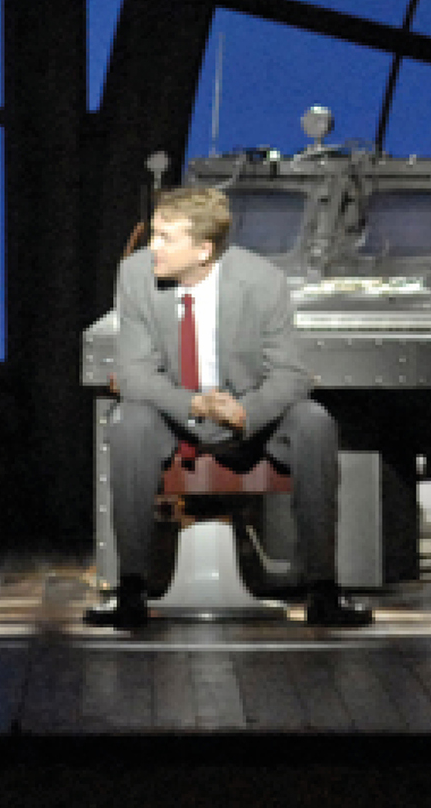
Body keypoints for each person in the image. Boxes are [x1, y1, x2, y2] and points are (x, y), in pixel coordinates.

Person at [86, 184, 374, 632]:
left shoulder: (261, 281)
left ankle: (322, 590)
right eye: (154, 234)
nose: (153, 247)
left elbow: (290, 374)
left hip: (248, 416)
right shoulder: (136, 274)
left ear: (203, 250)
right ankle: (131, 590)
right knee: (129, 422)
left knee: (313, 422)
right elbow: (136, 374)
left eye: (165, 238)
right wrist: (195, 404)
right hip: (174, 414)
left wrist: (244, 412)